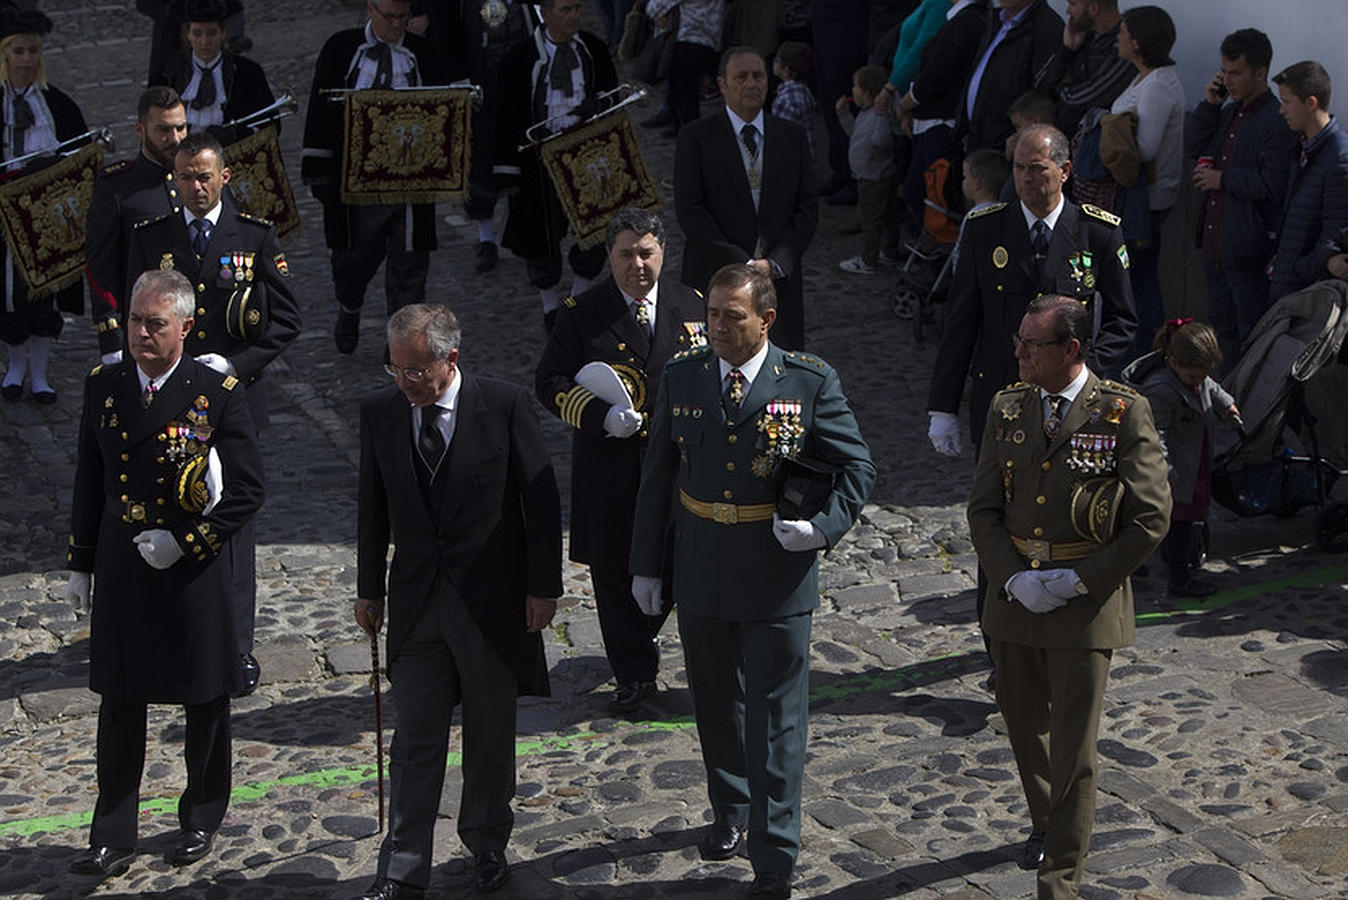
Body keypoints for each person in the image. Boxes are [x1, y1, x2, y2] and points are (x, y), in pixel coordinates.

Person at [629, 264, 875, 900]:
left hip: (776, 571)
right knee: (715, 703)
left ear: (766, 320)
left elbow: (857, 467)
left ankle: (776, 853)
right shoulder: (683, 376)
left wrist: (822, 528)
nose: (717, 326)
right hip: (704, 564)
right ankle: (731, 810)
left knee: (778, 720)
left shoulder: (807, 380)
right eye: (712, 314)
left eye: (732, 316)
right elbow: (658, 477)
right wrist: (646, 565)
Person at [355, 303, 562, 899]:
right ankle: (401, 867)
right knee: (416, 738)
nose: (405, 383)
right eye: (395, 369)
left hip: (491, 605)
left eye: (416, 371)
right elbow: (371, 507)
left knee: (490, 736)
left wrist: (542, 587)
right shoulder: (380, 412)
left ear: (451, 359)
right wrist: (370, 588)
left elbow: (540, 501)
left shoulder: (502, 406)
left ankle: (487, 843)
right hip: (419, 604)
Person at [967, 294, 1169, 900]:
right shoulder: (1008, 408)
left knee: (1075, 748)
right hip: (1016, 600)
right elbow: (983, 510)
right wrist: (1012, 577)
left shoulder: (1122, 411)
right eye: (1020, 342)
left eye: (1034, 344)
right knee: (1025, 728)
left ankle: (1061, 878)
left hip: (1084, 605)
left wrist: (1082, 580)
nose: (1021, 353)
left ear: (1071, 350)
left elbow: (1150, 517)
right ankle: (1047, 823)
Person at [65, 268, 264, 877]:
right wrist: (81, 561)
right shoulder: (105, 384)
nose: (141, 334)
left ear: (184, 326)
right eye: (134, 321)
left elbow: (248, 489)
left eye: (155, 324)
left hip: (189, 566)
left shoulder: (216, 390)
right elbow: (90, 478)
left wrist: (185, 542)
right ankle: (112, 834)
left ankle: (201, 814)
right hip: (127, 559)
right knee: (120, 699)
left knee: (204, 698)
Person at [126, 130, 301, 693]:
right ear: (173, 180)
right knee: (169, 508)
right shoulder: (153, 237)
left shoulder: (253, 236)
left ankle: (236, 646)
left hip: (233, 401)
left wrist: (236, 365)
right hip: (168, 401)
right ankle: (174, 634)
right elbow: (138, 314)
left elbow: (285, 320)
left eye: (204, 176)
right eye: (185, 177)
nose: (195, 186)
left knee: (232, 519)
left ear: (224, 176)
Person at [534, 208, 705, 716]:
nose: (637, 264)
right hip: (611, 468)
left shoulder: (690, 304)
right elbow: (550, 382)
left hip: (676, 464)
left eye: (646, 253)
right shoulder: (581, 312)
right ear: (609, 256)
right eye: (626, 254)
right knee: (614, 572)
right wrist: (601, 417)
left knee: (674, 562)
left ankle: (640, 639)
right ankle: (633, 675)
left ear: (663, 252)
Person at [927, 123, 1136, 459]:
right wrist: (943, 406)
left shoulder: (1097, 232)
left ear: (1064, 170)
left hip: (1069, 398)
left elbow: (1122, 318)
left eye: (1037, 168)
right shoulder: (986, 230)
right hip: (1000, 391)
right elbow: (961, 321)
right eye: (1019, 168)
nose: (1025, 178)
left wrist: (1085, 369)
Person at [301, 0, 447, 355]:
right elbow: (320, 108)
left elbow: (444, 111)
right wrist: (318, 167)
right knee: (353, 259)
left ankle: (400, 341)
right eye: (389, 17)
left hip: (409, 183)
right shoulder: (341, 48)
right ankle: (349, 307)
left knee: (409, 263)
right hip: (354, 182)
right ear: (370, 10)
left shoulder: (423, 54)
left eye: (403, 17)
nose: (396, 25)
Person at [674, 46, 817, 350]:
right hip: (714, 278)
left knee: (778, 376)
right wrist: (744, 263)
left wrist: (775, 263)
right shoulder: (696, 137)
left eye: (758, 76)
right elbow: (690, 211)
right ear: (722, 84)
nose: (751, 84)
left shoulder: (791, 137)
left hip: (777, 285)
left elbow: (806, 210)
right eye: (741, 77)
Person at [494, 0, 617, 332]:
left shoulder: (592, 49)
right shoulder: (519, 59)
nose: (574, 16)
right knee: (540, 233)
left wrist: (597, 107)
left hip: (588, 155)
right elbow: (506, 115)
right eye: (565, 9)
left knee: (594, 227)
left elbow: (612, 96)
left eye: (577, 8)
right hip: (539, 160)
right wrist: (509, 168)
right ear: (544, 13)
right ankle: (550, 305)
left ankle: (577, 297)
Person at [1188, 28, 1296, 372]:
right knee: (1221, 335)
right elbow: (1193, 145)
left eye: (1236, 73)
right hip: (1215, 246)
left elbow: (1272, 182)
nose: (1228, 80)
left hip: (1247, 251)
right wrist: (1209, 104)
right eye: (1225, 72)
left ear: (1260, 73)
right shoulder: (1228, 112)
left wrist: (1223, 179)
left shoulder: (1276, 120)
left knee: (1253, 335)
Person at [407, 1, 538, 274]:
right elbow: (445, 18)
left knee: (525, 149)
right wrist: (457, 74)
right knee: (479, 150)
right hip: (479, 63)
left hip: (522, 50)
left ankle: (528, 235)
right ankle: (485, 237)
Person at [0, 8, 90, 404]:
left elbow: (82, 159)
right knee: (8, 293)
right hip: (2, 219)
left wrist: (52, 167)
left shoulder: (59, 106)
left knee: (43, 293)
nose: (26, 59)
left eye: (33, 51)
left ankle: (40, 374)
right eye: (18, 51)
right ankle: (14, 369)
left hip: (46, 217)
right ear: (5, 55)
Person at [1122, 319, 1238, 597]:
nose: (1198, 381)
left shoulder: (1193, 376)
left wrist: (1226, 405)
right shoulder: (1162, 389)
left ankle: (1166, 559)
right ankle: (1179, 578)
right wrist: (1166, 470)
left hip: (1194, 456)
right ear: (1173, 362)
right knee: (1179, 522)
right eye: (1192, 377)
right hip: (1175, 467)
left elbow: (1211, 386)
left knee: (1183, 516)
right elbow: (1154, 435)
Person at [85, 86, 187, 363]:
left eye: (181, 128)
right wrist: (111, 339)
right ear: (140, 130)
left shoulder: (198, 179)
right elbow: (100, 266)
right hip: (146, 334)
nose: (174, 139)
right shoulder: (117, 188)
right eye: (164, 130)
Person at [1109, 5, 1185, 356]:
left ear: (1137, 42)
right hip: (1135, 198)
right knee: (1139, 281)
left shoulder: (1158, 86)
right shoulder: (1143, 78)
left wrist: (1108, 136)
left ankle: (1145, 356)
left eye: (1123, 31)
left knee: (1133, 283)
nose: (1118, 37)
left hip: (1146, 202)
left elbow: (1145, 148)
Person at [891, 0, 991, 234]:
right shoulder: (962, 18)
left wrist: (906, 104)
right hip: (933, 118)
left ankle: (937, 247)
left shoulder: (968, 22)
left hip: (942, 122)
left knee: (931, 192)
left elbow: (936, 75)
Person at [1269, 61, 1348, 304]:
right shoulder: (1302, 147)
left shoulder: (1338, 157)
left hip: (1306, 292)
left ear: (1311, 103)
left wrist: (1298, 267)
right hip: (1286, 280)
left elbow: (1335, 233)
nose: (1282, 111)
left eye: (1287, 102)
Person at [149, 0, 273, 147]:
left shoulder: (248, 73)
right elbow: (150, 127)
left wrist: (234, 134)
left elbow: (271, 124)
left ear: (223, 33)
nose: (204, 42)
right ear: (188, 34)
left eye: (212, 33)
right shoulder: (166, 75)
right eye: (197, 33)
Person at [957, 0, 1062, 153]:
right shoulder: (997, 21)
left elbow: (1043, 94)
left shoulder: (1046, 28)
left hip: (1008, 150)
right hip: (977, 141)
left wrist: (1016, 140)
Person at [1031, 0, 1134, 139]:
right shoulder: (1082, 36)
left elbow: (1091, 96)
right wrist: (1067, 51)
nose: (1068, 11)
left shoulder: (1125, 45)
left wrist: (1063, 87)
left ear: (1094, 8)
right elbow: (1041, 85)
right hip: (1062, 140)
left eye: (1072, 4)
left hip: (1095, 147)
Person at [835, 64, 898, 275]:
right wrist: (843, 113)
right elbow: (854, 133)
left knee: (872, 220)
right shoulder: (865, 113)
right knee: (888, 216)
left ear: (867, 92)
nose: (852, 90)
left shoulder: (879, 115)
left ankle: (868, 260)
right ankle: (889, 253)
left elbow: (881, 141)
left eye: (856, 86)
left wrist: (881, 116)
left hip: (874, 178)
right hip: (870, 176)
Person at [645, 0, 724, 132]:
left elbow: (654, 8)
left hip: (689, 40)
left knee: (684, 94)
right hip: (710, 39)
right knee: (685, 92)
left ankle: (689, 132)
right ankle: (682, 129)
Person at [771, 41, 815, 161]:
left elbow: (782, 135)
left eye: (777, 61)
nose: (773, 63)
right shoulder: (803, 90)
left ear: (786, 70)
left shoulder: (786, 100)